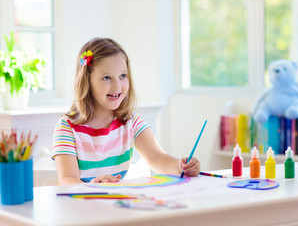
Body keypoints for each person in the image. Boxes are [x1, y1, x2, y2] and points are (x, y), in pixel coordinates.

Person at [52, 37, 200, 185]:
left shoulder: (131, 121)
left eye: (123, 76)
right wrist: (93, 187)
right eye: (107, 78)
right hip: (81, 204)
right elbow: (67, 179)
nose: (117, 86)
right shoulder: (67, 128)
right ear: (87, 82)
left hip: (117, 203)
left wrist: (180, 167)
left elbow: (156, 157)